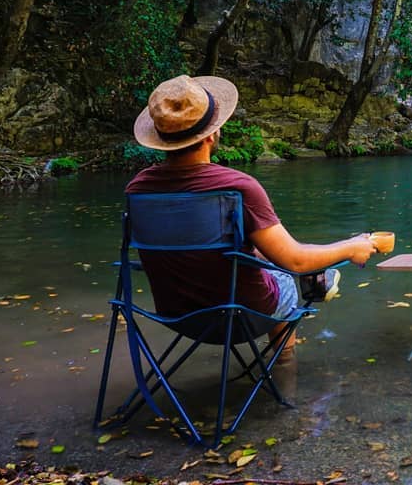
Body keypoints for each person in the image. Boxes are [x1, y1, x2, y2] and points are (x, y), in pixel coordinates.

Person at [126, 74, 377, 369]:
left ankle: (315, 277)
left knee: (260, 254)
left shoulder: (137, 189)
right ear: (210, 135)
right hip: (243, 313)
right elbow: (294, 260)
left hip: (174, 314)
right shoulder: (238, 187)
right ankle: (285, 371)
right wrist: (351, 246)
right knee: (286, 275)